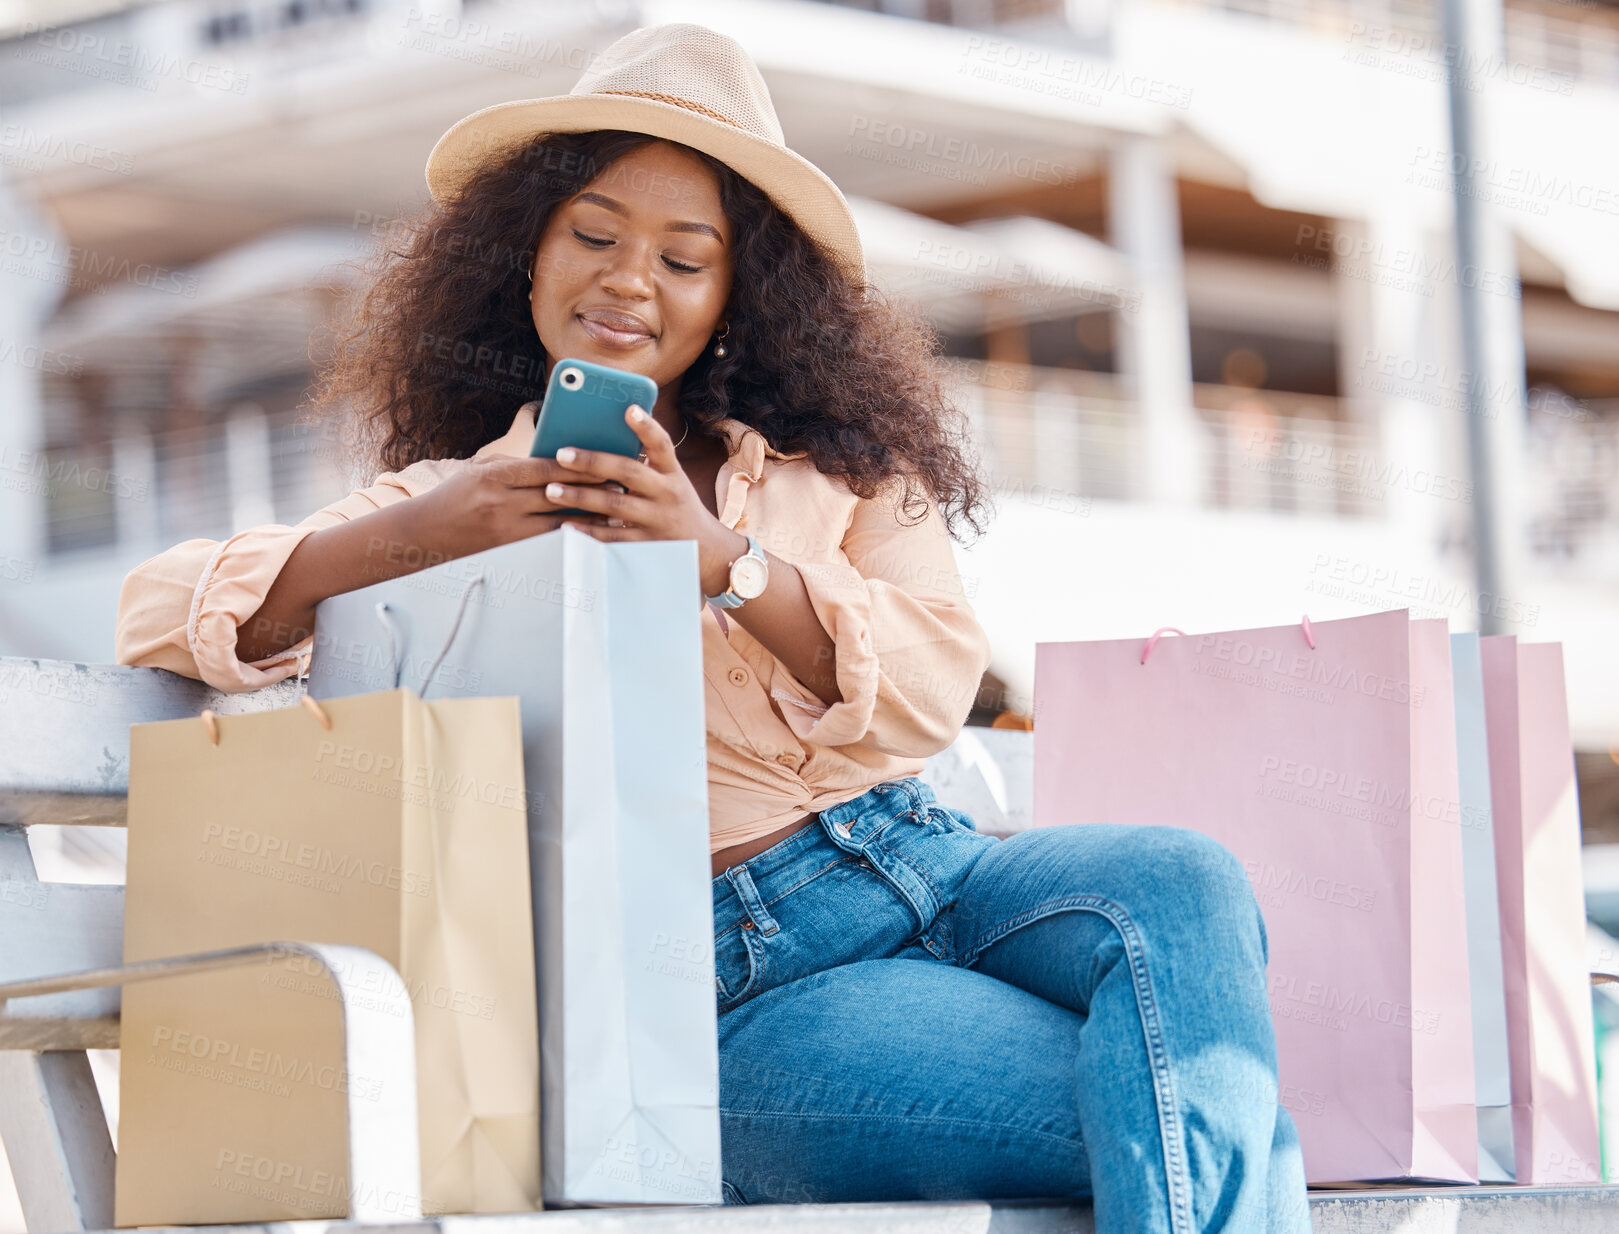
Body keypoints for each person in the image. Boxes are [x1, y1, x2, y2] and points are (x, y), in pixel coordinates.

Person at [114, 23, 1310, 1232]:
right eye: (592, 235)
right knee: (1186, 1091)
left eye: (685, 260)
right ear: (521, 258)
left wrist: (725, 563)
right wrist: (434, 526)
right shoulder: (455, 499)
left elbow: (935, 684)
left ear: (737, 297)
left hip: (931, 866)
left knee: (1183, 881)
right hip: (728, 995)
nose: (630, 281)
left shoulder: (834, 469)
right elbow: (159, 608)